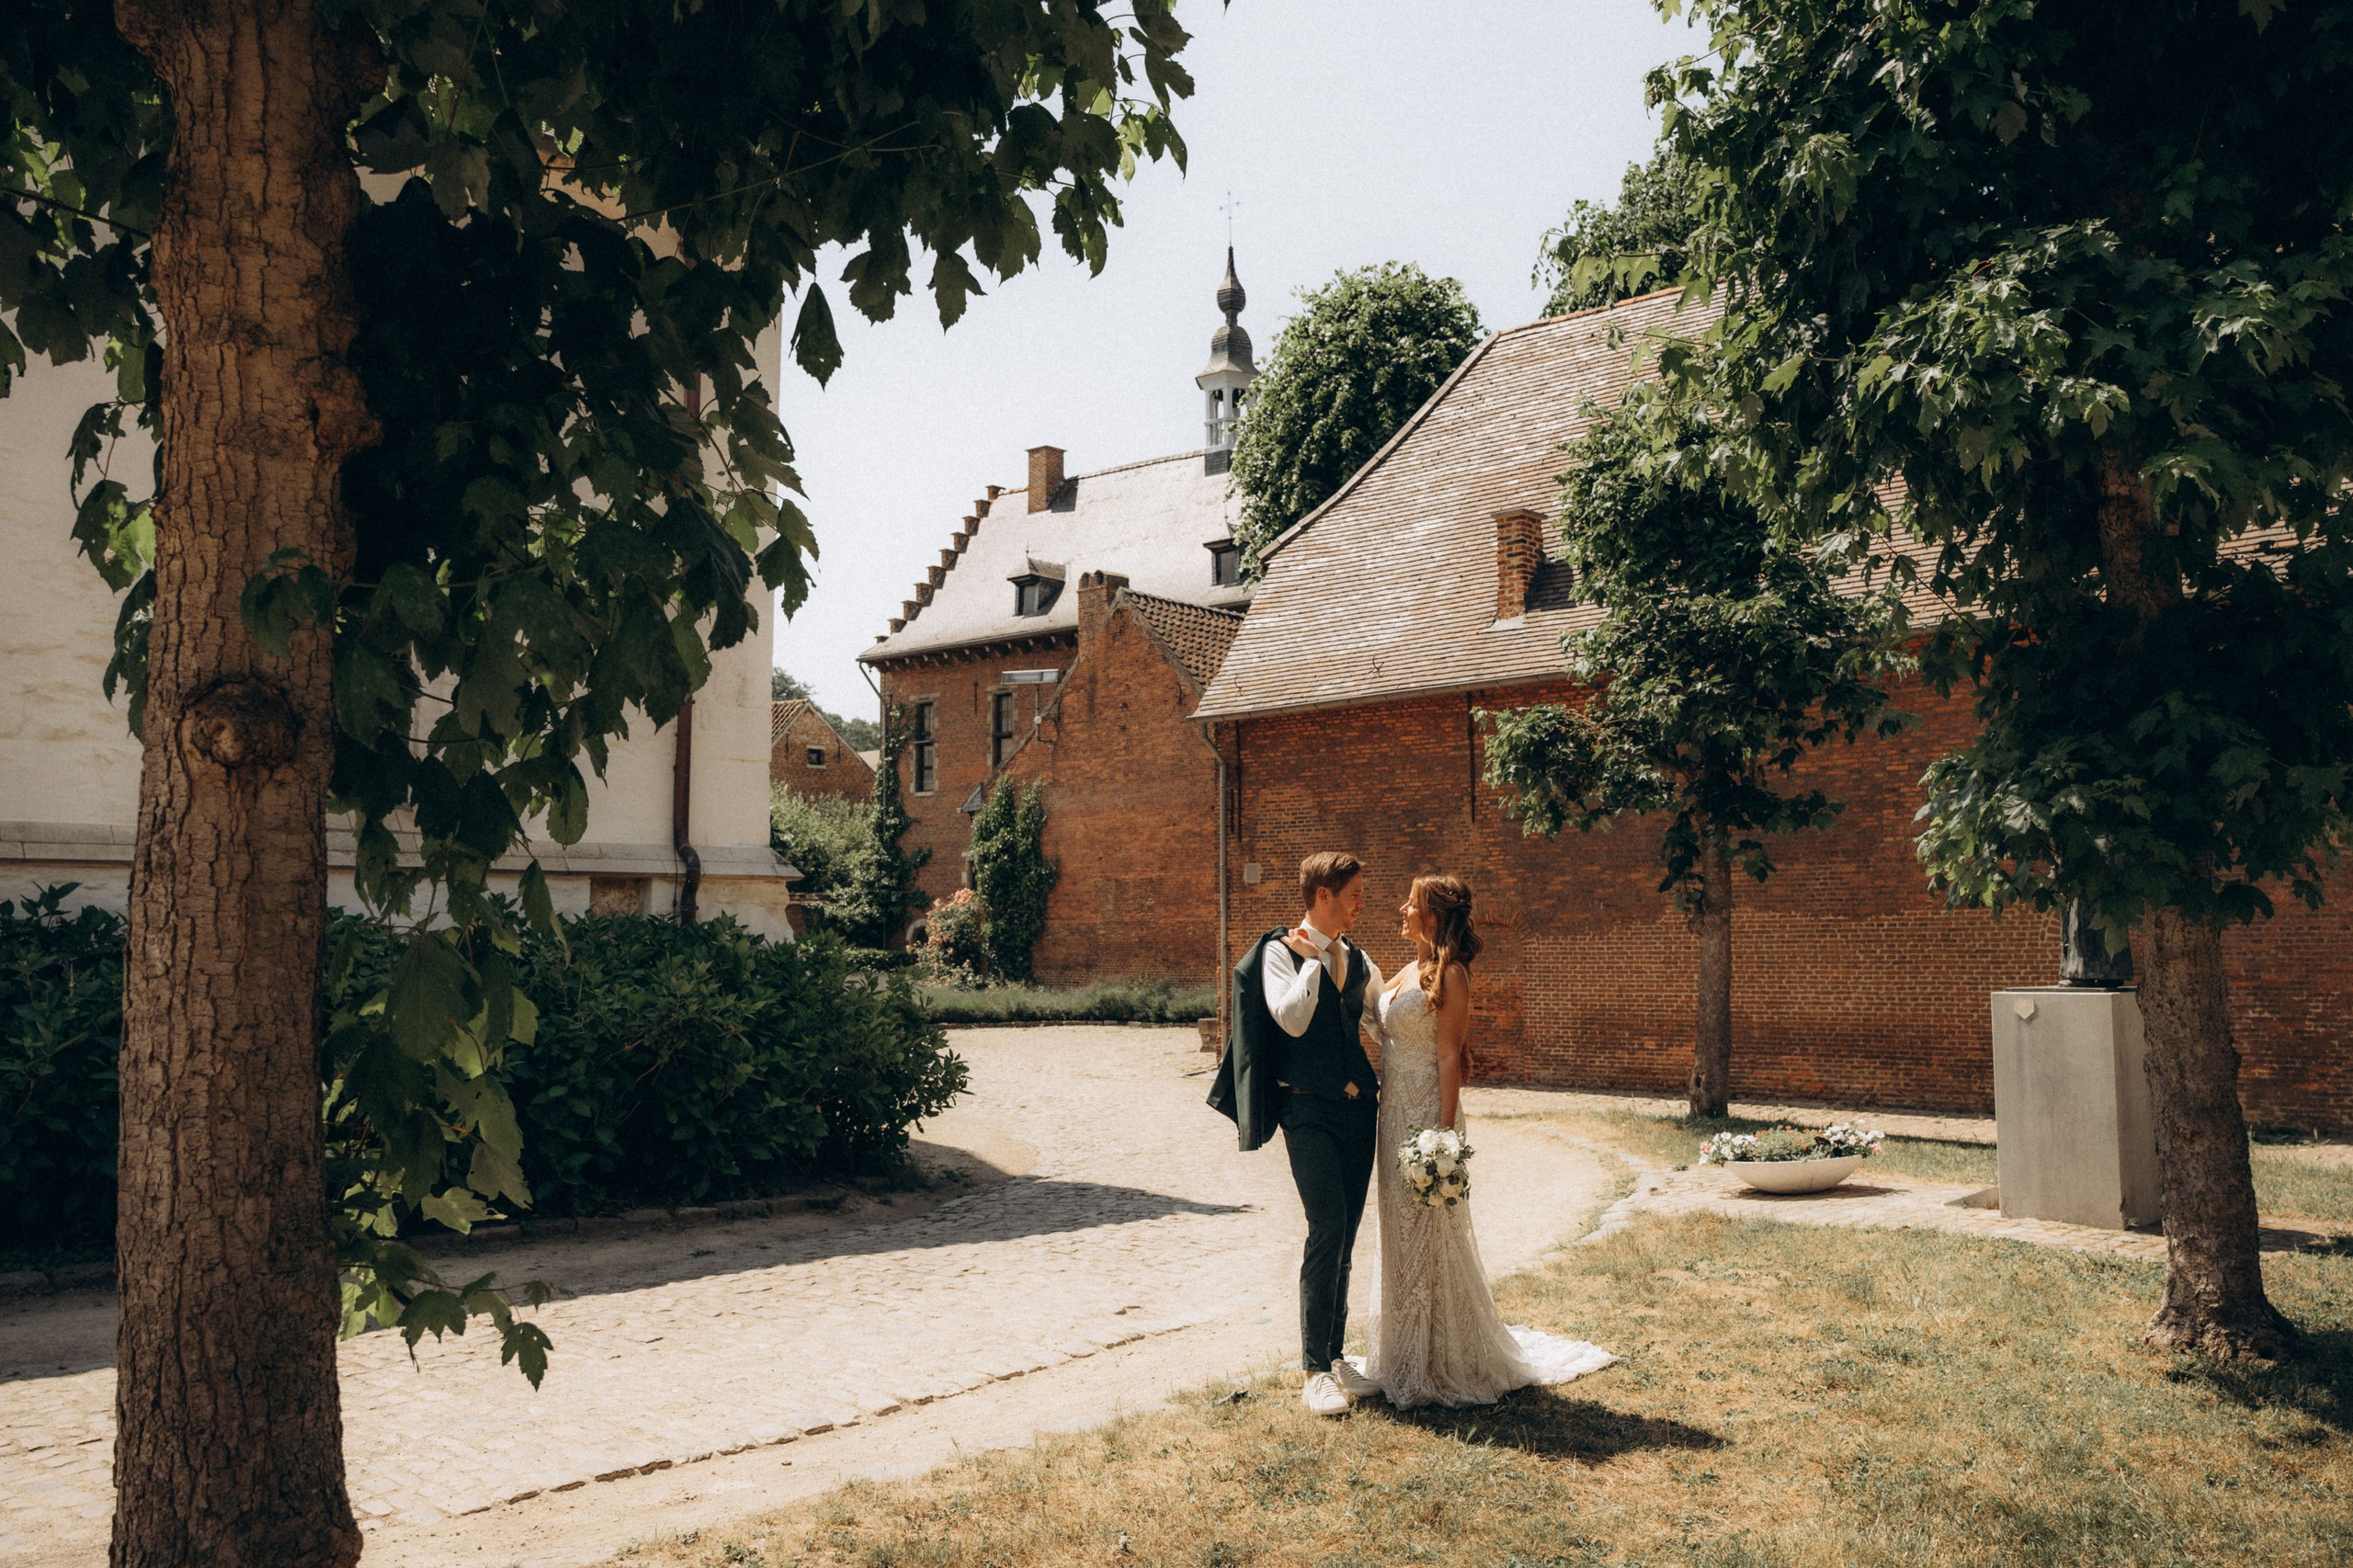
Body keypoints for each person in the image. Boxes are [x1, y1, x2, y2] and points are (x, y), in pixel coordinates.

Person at [1348, 873, 1614, 1408]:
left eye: (1411, 904)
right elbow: (1378, 1021)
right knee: (1400, 1230)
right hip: (1391, 1114)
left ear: (1433, 915)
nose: (1401, 910)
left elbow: (1448, 1054)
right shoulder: (1408, 970)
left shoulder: (1453, 975)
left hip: (1427, 1117)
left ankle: (1436, 1357)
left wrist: (1442, 1140)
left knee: (1429, 1233)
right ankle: (1401, 1350)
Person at [1208, 851, 1386, 1415]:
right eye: (1354, 895)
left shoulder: (1359, 958)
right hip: (1306, 1110)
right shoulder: (1278, 953)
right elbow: (1290, 1018)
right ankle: (1314, 1371)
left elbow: (1381, 1020)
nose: (1361, 904)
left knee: (1347, 1233)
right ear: (1323, 895)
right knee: (1326, 1226)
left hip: (1360, 1110)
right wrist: (1311, 963)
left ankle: (1335, 1356)